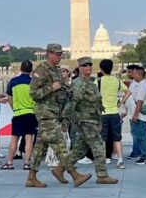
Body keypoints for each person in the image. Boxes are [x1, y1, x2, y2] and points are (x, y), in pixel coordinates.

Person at [45, 56, 118, 187]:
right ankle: (102, 175)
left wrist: (99, 120)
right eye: (85, 65)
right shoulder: (78, 84)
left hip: (92, 119)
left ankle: (60, 169)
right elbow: (71, 104)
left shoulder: (91, 83)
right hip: (84, 120)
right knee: (99, 145)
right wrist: (66, 122)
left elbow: (98, 104)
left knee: (79, 149)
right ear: (79, 68)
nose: (88, 67)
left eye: (90, 65)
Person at [26, 44, 90, 188]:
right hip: (45, 113)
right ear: (48, 54)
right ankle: (74, 175)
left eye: (61, 54)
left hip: (55, 112)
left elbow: (61, 90)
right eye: (56, 54)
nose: (59, 57)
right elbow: (33, 93)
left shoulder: (55, 71)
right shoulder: (41, 71)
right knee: (60, 145)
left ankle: (31, 177)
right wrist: (51, 88)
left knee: (40, 147)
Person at [3, 60, 36, 170]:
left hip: (18, 113)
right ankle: (27, 163)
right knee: (29, 139)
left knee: (14, 139)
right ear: (31, 70)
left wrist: (14, 108)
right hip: (31, 113)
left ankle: (9, 162)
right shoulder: (34, 82)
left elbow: (9, 98)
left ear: (20, 69)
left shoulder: (13, 81)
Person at [97, 59, 124, 169]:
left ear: (101, 69)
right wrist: (120, 103)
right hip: (114, 112)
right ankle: (120, 159)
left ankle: (104, 159)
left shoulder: (98, 81)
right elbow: (128, 92)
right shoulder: (116, 80)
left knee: (103, 138)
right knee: (117, 138)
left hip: (103, 113)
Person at [124, 65, 146, 165]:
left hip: (140, 116)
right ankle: (144, 156)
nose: (133, 75)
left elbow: (139, 102)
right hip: (139, 115)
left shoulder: (142, 86)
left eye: (134, 73)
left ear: (139, 75)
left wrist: (135, 115)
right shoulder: (141, 84)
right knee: (140, 136)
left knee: (141, 137)